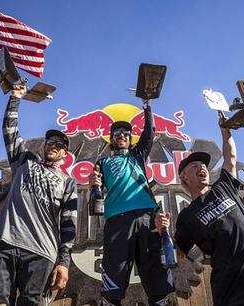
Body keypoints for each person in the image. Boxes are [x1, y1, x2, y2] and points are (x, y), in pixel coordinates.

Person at [155, 117, 244, 306]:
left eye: (203, 165)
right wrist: (162, 231)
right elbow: (178, 255)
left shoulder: (224, 187)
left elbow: (230, 157)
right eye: (194, 165)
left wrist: (225, 132)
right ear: (184, 176)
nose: (201, 167)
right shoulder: (187, 215)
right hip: (231, 297)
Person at [0, 86, 78, 306]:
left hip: (42, 253)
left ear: (64, 154)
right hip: (4, 242)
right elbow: (10, 129)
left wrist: (63, 263)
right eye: (50, 142)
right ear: (44, 146)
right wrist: (15, 98)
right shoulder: (25, 161)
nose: (53, 145)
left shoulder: (68, 182)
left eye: (59, 145)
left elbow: (69, 226)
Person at [89, 98, 174, 306]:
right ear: (111, 139)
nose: (122, 136)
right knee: (113, 285)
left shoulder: (137, 155)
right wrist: (94, 185)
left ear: (130, 138)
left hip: (147, 216)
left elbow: (149, 132)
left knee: (158, 281)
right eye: (117, 133)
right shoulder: (102, 162)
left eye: (126, 133)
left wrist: (147, 106)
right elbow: (95, 203)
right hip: (117, 220)